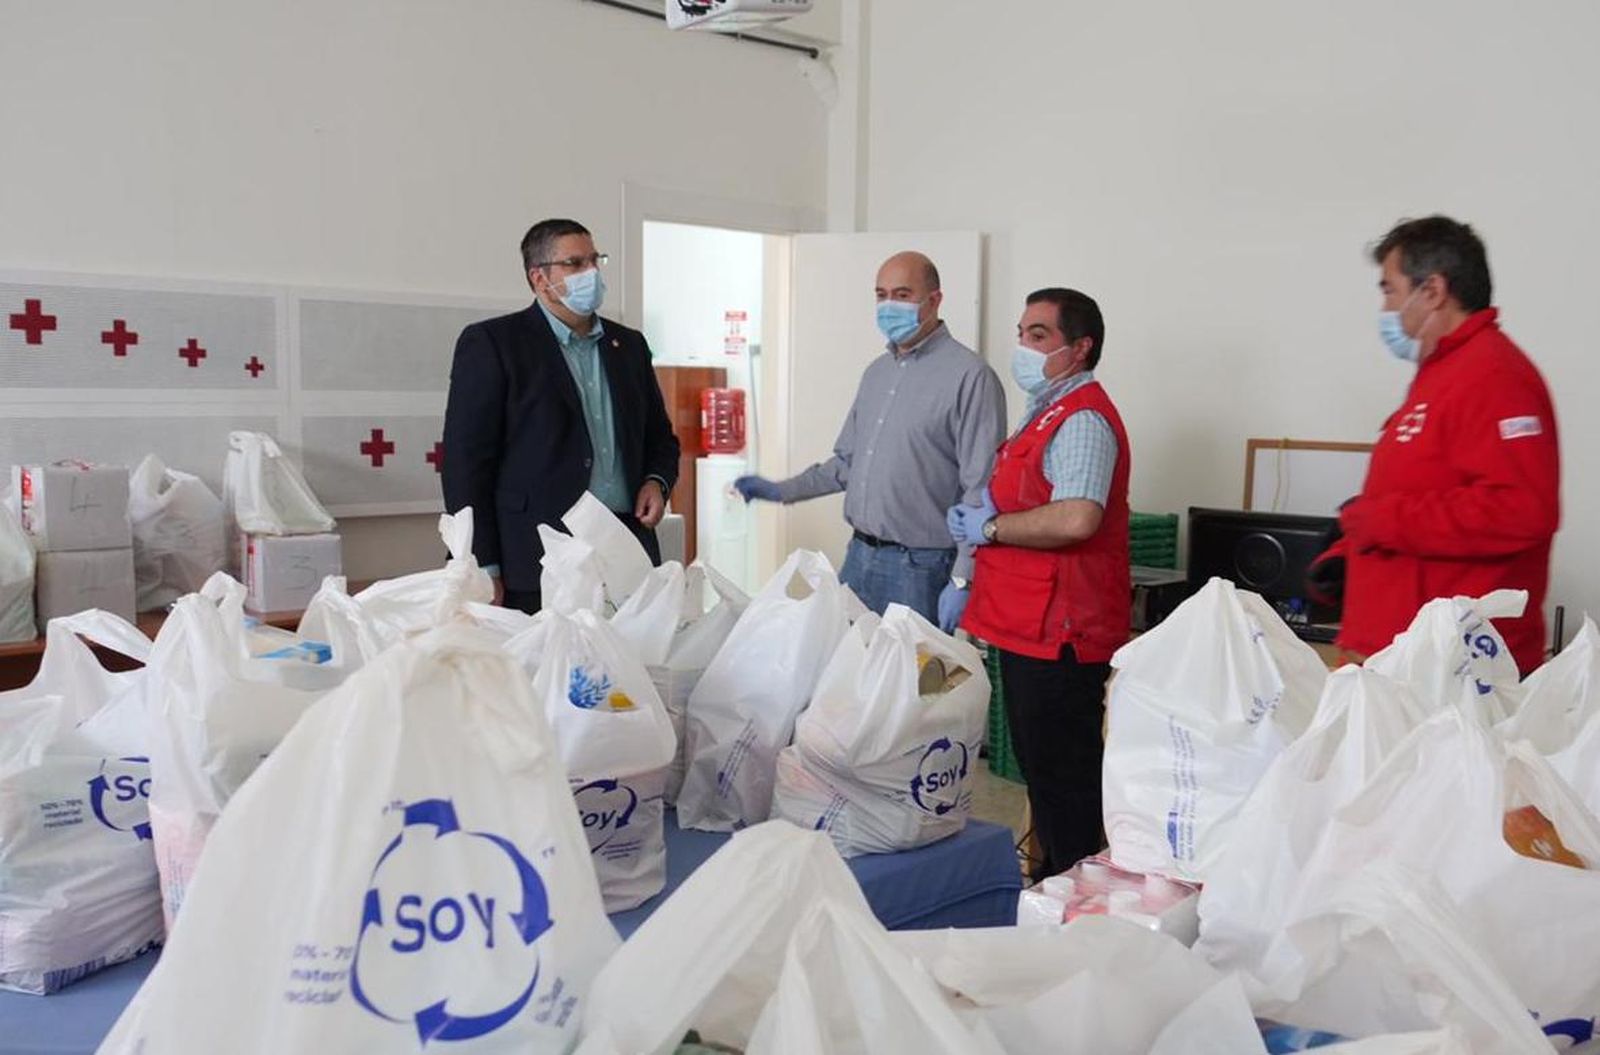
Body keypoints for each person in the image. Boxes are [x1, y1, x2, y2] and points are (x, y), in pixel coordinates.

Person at [1311, 216, 1560, 675]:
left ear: (1432, 291)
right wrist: (1351, 547)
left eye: (1389, 289)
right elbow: (1430, 489)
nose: (1386, 307)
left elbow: (1522, 510)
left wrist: (1380, 520)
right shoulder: (1443, 375)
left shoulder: (1495, 376)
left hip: (1450, 669)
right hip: (1399, 654)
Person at [948, 288, 1131, 881]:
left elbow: (1078, 517)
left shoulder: (1081, 419)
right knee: (1044, 771)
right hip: (1027, 623)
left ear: (1080, 349)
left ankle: (1077, 898)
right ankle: (1056, 884)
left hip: (1060, 628)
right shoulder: (1046, 411)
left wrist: (992, 526)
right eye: (1022, 332)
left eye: (1039, 335)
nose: (1023, 346)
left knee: (1064, 778)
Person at [733, 251, 1006, 631]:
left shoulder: (970, 376)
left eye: (903, 294)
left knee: (906, 686)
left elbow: (981, 489)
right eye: (881, 294)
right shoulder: (877, 374)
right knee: (847, 675)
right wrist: (781, 490)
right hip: (859, 556)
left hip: (921, 569)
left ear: (935, 300)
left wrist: (964, 578)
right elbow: (848, 465)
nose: (889, 305)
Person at [441, 218, 680, 613]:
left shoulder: (629, 346)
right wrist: (480, 563)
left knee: (626, 670)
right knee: (541, 671)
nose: (591, 272)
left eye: (594, 260)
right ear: (539, 278)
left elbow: (660, 436)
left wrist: (658, 481)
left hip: (625, 547)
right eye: (574, 263)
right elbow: (466, 463)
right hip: (535, 554)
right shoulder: (494, 344)